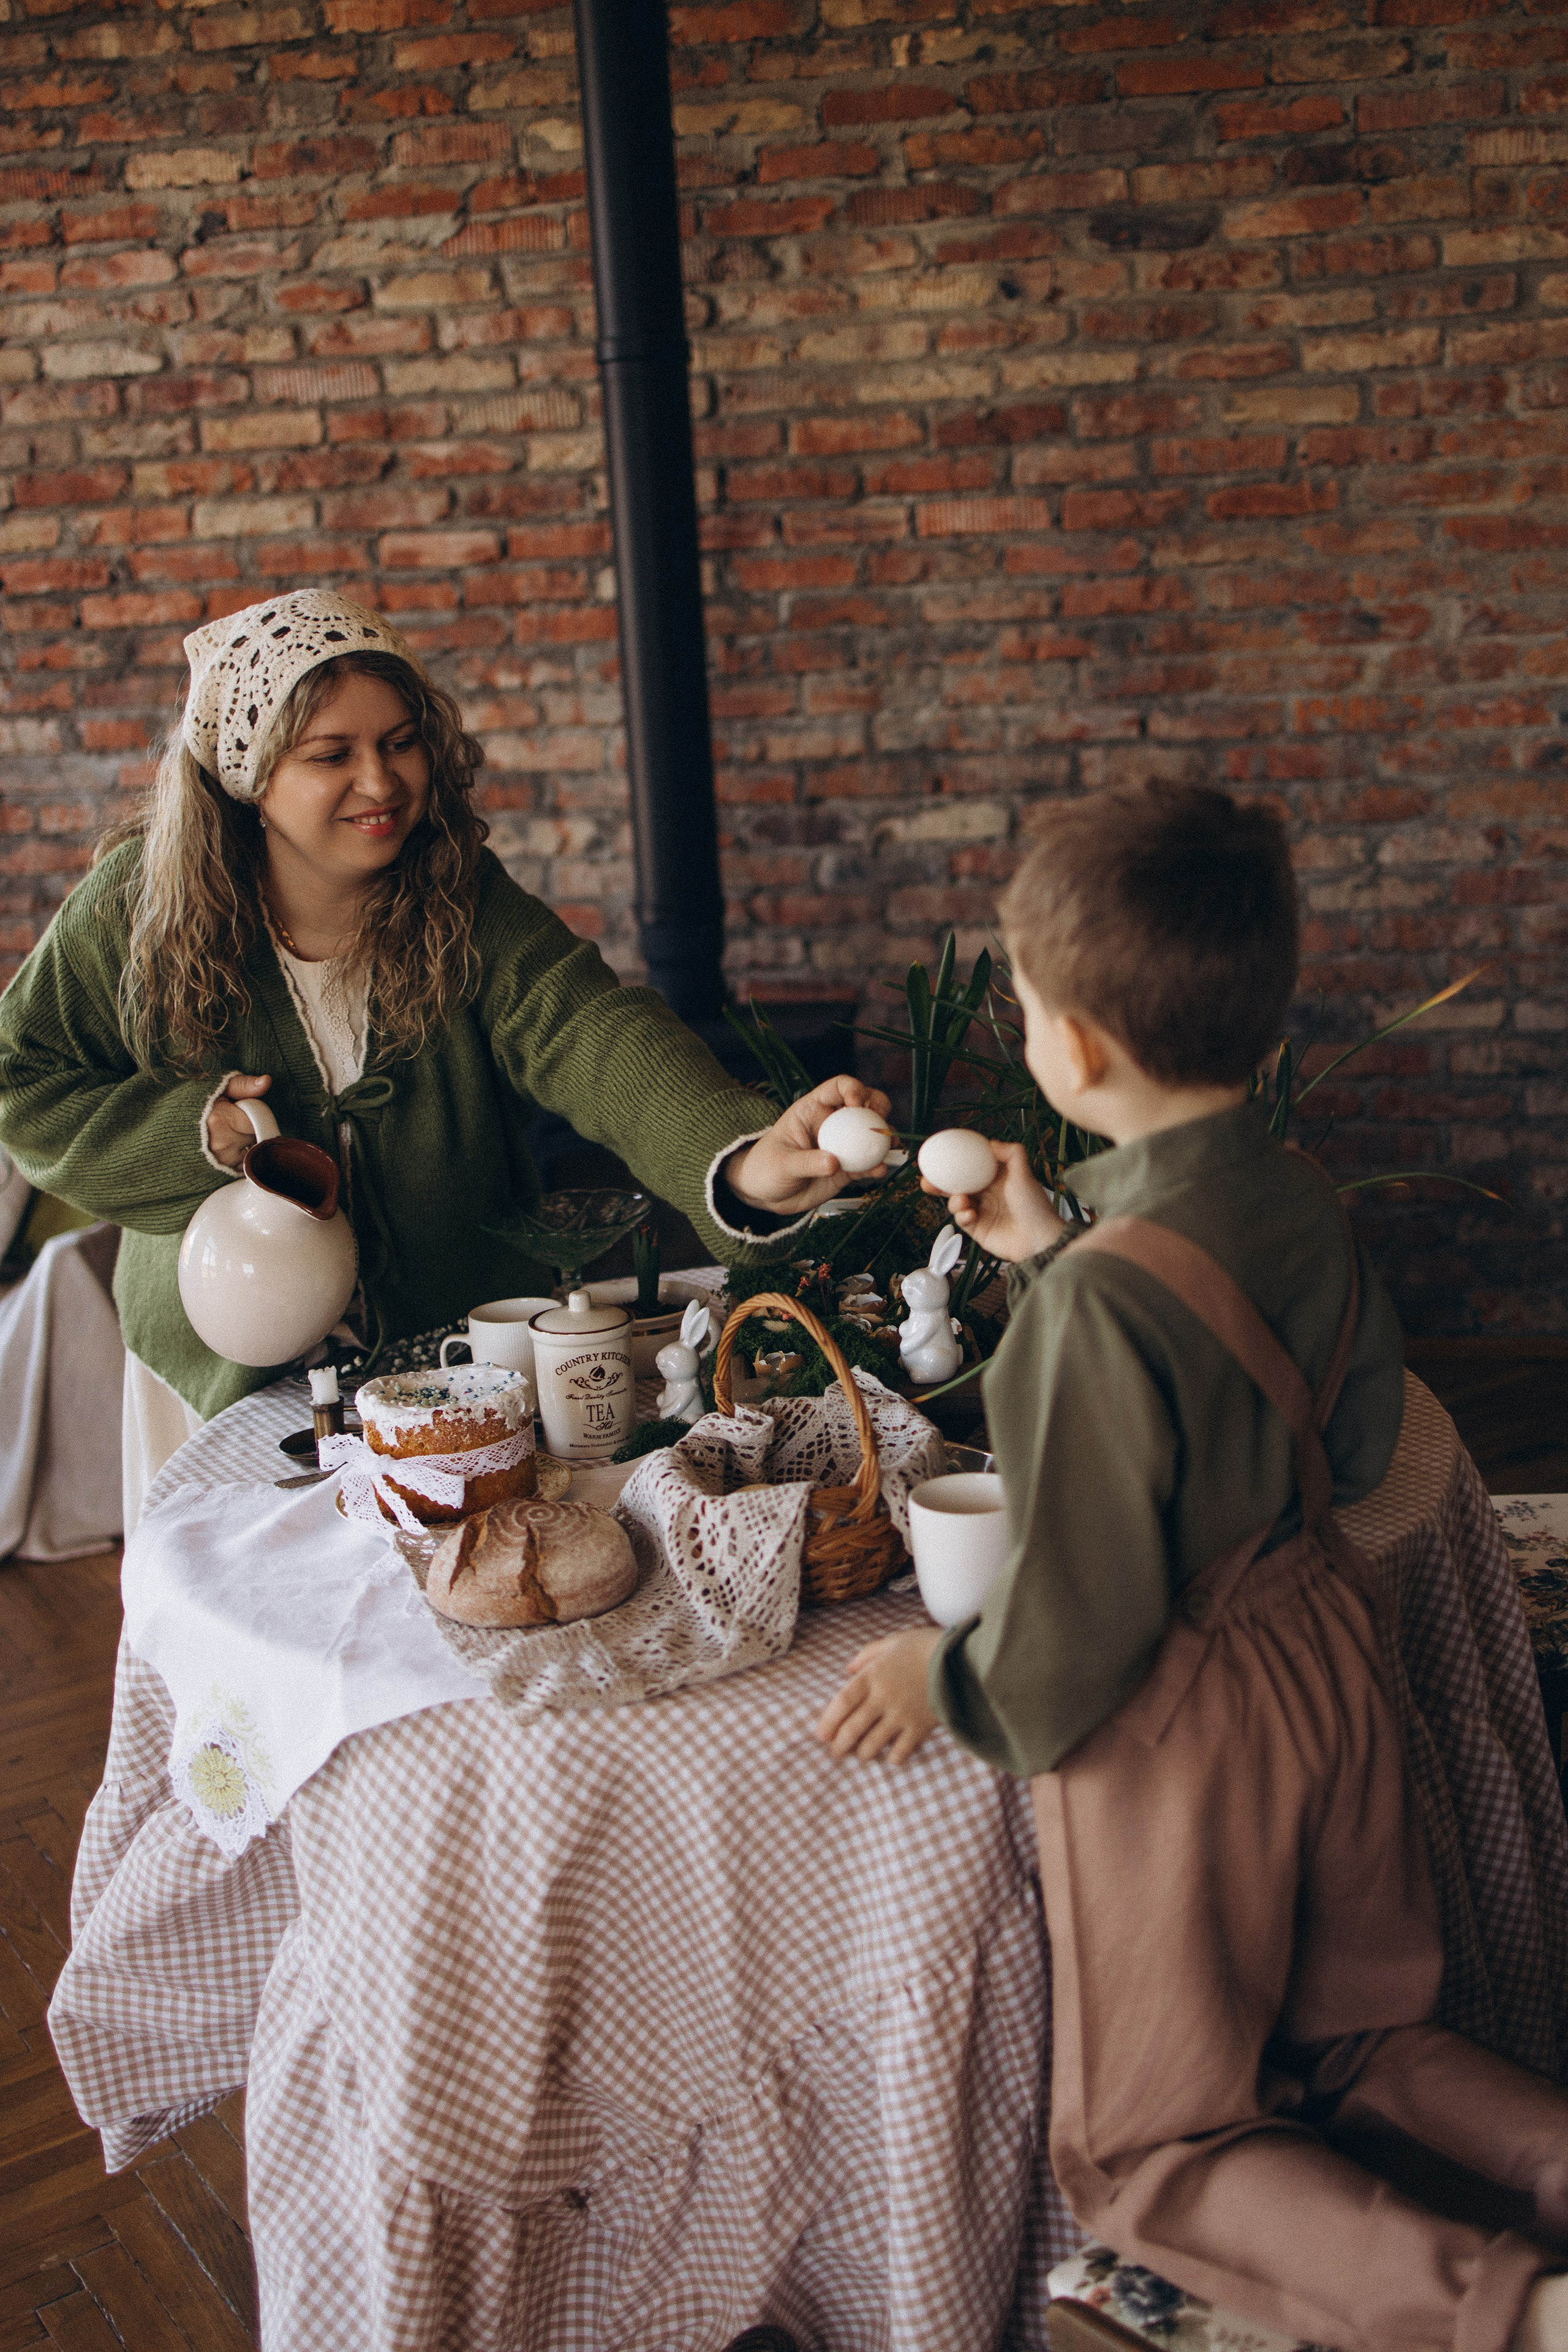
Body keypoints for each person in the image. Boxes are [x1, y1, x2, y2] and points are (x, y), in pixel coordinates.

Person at [816, 783, 1568, 2352]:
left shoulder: (1095, 1312)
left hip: (1186, 1742)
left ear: (1072, 1051)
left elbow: (1072, 1640)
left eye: (1023, 1007)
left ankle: (1521, 2317)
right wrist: (1055, 1239)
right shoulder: (1291, 1186)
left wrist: (931, 1672)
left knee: (1156, 2150)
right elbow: (1352, 1447)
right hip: (1327, 1660)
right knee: (1365, 2041)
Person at [0, 590, 888, 1530]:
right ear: (247, 776)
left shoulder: (462, 897)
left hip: (452, 1362)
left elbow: (591, 1027)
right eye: (332, 755)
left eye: (401, 741)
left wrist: (741, 1159)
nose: (382, 783)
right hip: (228, 1373)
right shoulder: (135, 908)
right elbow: (21, 1075)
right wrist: (195, 1135)